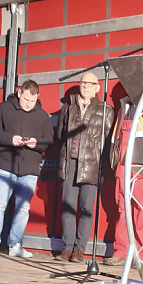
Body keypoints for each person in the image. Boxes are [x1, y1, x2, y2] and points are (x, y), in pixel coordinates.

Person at [0, 80, 54, 258]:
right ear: (20, 93)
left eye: (33, 100)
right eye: (26, 99)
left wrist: (36, 143)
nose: (29, 104)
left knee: (23, 209)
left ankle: (15, 245)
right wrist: (9, 139)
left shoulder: (43, 116)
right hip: (5, 164)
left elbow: (49, 140)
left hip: (29, 168)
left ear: (37, 97)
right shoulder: (4, 108)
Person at [54, 72, 115, 262]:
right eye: (83, 83)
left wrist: (104, 170)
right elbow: (59, 136)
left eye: (90, 84)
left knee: (87, 208)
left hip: (92, 165)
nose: (86, 86)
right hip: (70, 163)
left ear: (98, 88)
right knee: (68, 207)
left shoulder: (106, 110)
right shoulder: (68, 108)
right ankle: (67, 247)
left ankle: (79, 249)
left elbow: (108, 143)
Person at [102, 100, 143, 268]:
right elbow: (115, 139)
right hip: (123, 166)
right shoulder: (123, 106)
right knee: (122, 210)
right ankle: (121, 252)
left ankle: (141, 256)